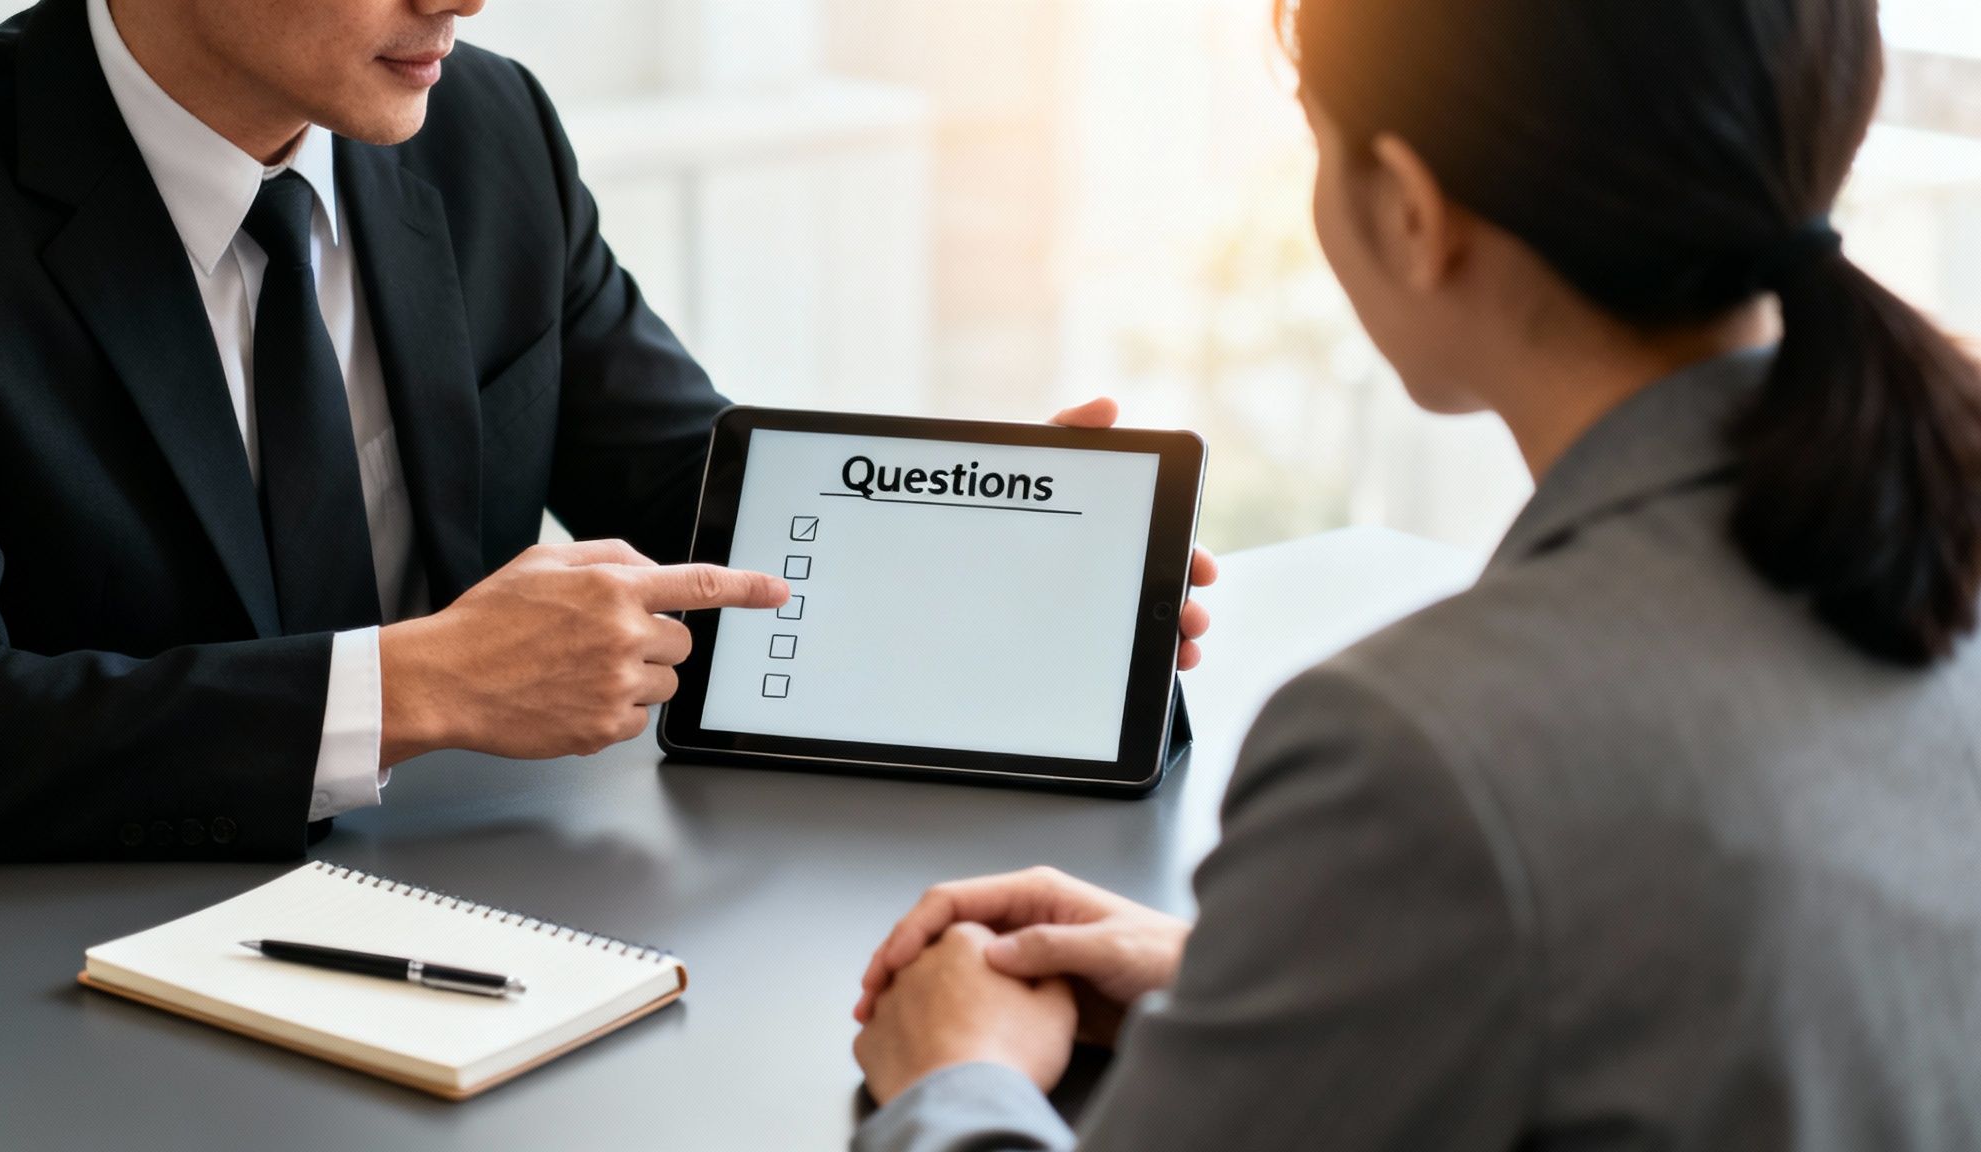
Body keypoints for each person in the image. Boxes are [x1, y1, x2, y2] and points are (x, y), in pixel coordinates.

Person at [849, 0, 1981, 1149]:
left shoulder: (1419, 747)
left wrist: (956, 1078)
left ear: (1406, 209)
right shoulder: (1929, 519)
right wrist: (1279, 975)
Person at [0, 0, 1218, 869]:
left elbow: (686, 491)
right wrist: (419, 687)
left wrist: (975, 545)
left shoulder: (487, 133)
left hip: (474, 922)